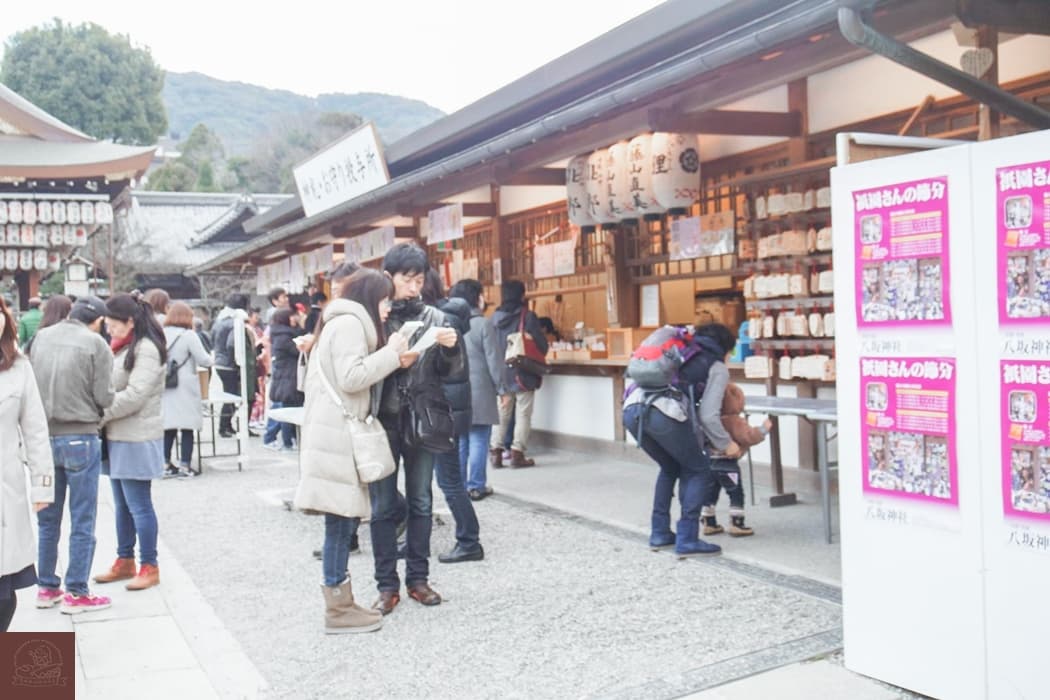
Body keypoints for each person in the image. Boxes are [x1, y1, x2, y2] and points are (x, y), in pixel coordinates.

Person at [293, 268, 408, 633]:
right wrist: (392, 354)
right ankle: (338, 611)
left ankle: (342, 604)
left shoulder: (338, 322)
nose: (388, 308)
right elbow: (352, 377)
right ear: (371, 298)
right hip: (337, 438)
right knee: (340, 524)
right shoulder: (351, 326)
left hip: (330, 434)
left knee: (340, 522)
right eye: (385, 300)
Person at [370, 243, 462, 614]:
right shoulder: (374, 318)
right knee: (382, 505)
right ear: (388, 278)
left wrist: (452, 350)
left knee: (422, 499)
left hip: (423, 418)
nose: (413, 288)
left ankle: (418, 580)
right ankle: (386, 585)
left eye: (419, 280)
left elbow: (455, 375)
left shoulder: (437, 318)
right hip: (382, 419)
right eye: (406, 279)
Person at [29, 294, 114, 613]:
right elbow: (105, 395)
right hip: (80, 436)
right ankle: (77, 590)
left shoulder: (40, 338)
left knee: (47, 519)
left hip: (43, 438)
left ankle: (47, 586)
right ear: (98, 320)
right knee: (82, 516)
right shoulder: (95, 344)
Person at [622, 323, 734, 558]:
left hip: (633, 408)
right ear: (726, 349)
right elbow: (709, 415)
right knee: (698, 470)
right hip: (665, 414)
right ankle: (688, 538)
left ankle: (660, 532)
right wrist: (726, 443)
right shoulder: (716, 366)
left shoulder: (681, 350)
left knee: (670, 467)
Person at [93, 293, 167, 591]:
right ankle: (125, 560)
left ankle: (149, 564)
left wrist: (98, 414)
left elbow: (136, 395)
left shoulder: (146, 349)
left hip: (136, 436)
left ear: (130, 321)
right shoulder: (124, 347)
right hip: (118, 435)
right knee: (122, 505)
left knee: (138, 505)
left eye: (113, 324)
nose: (109, 329)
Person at [0, 295, 55, 631]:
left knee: (4, 593)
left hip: (5, 490)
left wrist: (42, 484)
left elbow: (35, 431)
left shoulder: (19, 368)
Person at [422, 270, 484, 564]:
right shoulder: (448, 318)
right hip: (447, 408)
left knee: (448, 480)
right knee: (443, 479)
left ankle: (469, 540)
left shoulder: (439, 323)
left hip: (441, 409)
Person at [449, 279, 502, 500]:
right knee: (479, 437)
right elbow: (494, 360)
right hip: (480, 391)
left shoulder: (449, 323)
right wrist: (503, 388)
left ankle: (459, 486)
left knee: (461, 440)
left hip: (455, 391)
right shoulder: (483, 324)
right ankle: (477, 485)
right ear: (476, 298)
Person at [489, 279, 548, 468]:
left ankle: (495, 453)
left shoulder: (493, 318)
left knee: (501, 413)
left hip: (501, 373)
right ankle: (517, 453)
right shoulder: (527, 316)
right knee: (523, 413)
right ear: (522, 295)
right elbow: (542, 346)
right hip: (522, 371)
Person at [701, 382, 771, 537]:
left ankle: (708, 521)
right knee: (735, 493)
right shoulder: (734, 421)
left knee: (710, 493)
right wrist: (763, 429)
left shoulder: (707, 420)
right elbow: (749, 436)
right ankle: (736, 523)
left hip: (709, 463)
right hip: (728, 465)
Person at [162, 302, 213, 478]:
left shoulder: (160, 333)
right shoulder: (189, 335)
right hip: (185, 385)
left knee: (167, 426)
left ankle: (165, 464)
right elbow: (204, 360)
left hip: (165, 384)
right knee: (187, 426)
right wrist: (212, 358)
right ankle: (185, 465)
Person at [263, 307, 305, 451]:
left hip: (286, 376)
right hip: (287, 377)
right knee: (287, 411)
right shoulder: (284, 336)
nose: (296, 318)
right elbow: (297, 351)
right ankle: (287, 442)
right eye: (293, 316)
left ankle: (284, 439)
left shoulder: (283, 333)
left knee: (287, 408)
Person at [212, 293, 250, 438]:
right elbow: (231, 344)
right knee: (232, 396)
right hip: (229, 364)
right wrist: (238, 360)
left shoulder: (220, 319)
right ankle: (224, 426)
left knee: (229, 394)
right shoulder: (235, 321)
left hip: (220, 362)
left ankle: (227, 425)